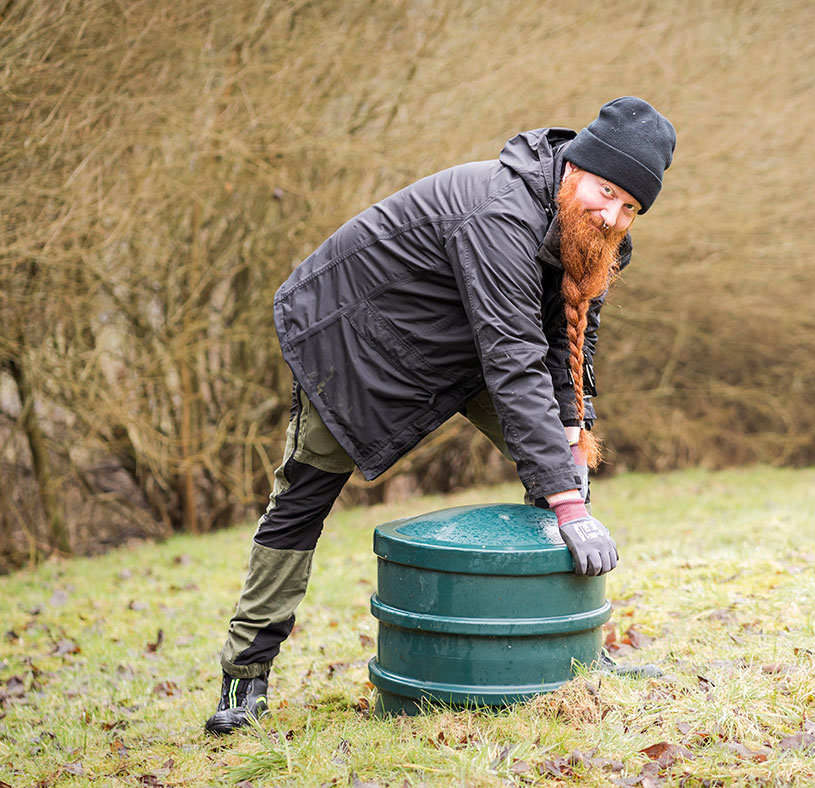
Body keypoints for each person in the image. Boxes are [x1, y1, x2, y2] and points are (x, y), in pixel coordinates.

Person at [204, 97, 676, 734]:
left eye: (630, 207)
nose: (613, 214)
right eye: (607, 191)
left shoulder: (593, 231)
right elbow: (513, 357)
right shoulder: (499, 212)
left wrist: (571, 428)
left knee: (559, 464)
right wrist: (568, 501)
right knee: (306, 495)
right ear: (575, 167)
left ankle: (569, 653)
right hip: (355, 339)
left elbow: (570, 334)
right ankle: (245, 674)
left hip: (464, 346)